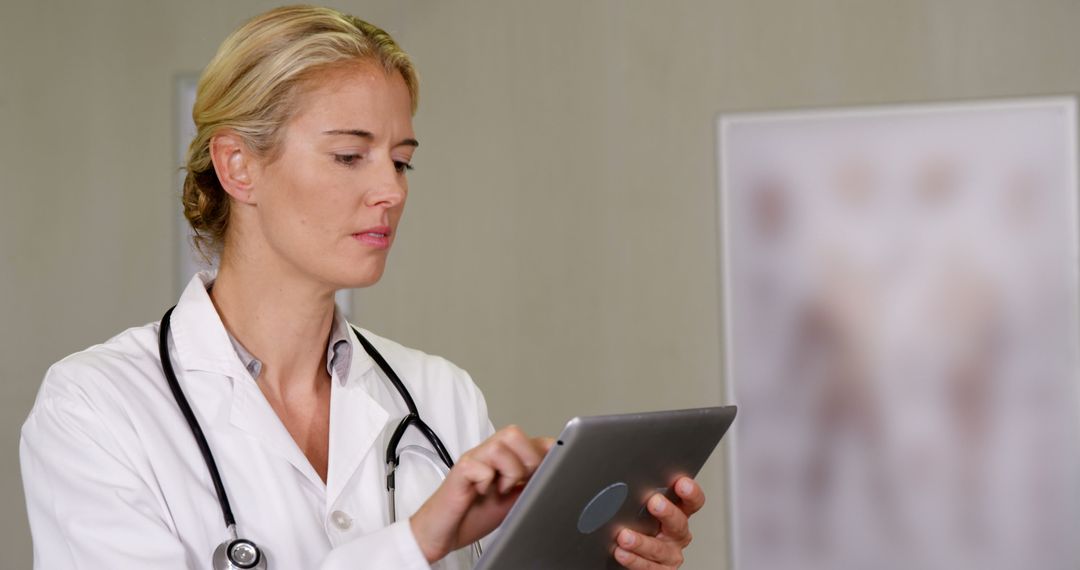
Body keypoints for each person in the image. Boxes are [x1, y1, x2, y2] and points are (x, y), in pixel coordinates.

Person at [20, 5, 704, 569]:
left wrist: (607, 559)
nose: (389, 191)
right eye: (350, 156)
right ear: (237, 166)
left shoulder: (440, 396)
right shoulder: (96, 409)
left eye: (401, 162)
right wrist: (417, 540)